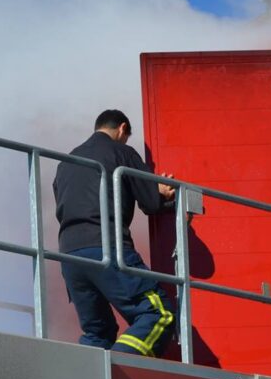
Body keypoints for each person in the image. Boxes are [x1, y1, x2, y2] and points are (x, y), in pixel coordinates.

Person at [53, 109, 179, 356]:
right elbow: (151, 203)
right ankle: (121, 370)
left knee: (98, 333)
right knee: (159, 314)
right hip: (107, 247)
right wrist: (163, 193)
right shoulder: (122, 152)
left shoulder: (66, 163)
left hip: (69, 257)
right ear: (122, 129)